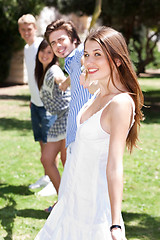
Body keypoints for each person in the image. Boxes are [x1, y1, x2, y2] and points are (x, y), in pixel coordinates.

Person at [34, 26, 144, 240]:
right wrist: (82, 81)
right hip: (71, 196)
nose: (89, 61)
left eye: (97, 55)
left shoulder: (120, 103)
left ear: (117, 60)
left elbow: (114, 165)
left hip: (93, 208)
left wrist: (115, 225)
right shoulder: (99, 93)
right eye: (86, 54)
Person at [18, 14, 56, 191]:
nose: (26, 32)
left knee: (50, 144)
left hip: (48, 104)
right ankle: (47, 176)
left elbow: (52, 70)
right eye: (23, 29)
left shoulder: (42, 46)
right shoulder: (27, 48)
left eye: (29, 29)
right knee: (42, 141)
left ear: (35, 28)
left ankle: (52, 181)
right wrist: (32, 99)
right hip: (35, 103)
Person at [34, 39, 70, 198]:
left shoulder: (54, 70)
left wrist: (64, 82)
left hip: (68, 116)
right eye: (43, 51)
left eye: (50, 52)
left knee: (66, 160)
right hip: (59, 118)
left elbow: (59, 78)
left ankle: (70, 202)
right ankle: (63, 198)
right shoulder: (42, 72)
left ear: (54, 56)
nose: (45, 55)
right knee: (46, 159)